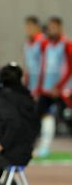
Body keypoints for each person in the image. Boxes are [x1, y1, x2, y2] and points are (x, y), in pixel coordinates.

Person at [36, 17, 72, 157]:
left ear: (60, 27)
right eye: (49, 27)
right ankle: (44, 146)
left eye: (54, 27)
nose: (51, 30)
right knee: (44, 114)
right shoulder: (45, 45)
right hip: (48, 89)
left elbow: (70, 68)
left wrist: (60, 86)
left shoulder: (66, 44)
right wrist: (40, 87)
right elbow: (43, 67)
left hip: (64, 89)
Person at [23, 16, 45, 97]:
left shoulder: (43, 41)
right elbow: (28, 63)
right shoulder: (27, 43)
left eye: (30, 26)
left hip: (42, 80)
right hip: (32, 80)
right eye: (27, 26)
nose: (28, 29)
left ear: (37, 27)